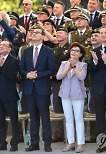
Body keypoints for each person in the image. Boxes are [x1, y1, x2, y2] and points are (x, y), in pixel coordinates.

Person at [19, 24, 55, 152]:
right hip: (29, 88)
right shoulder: (26, 51)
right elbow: (21, 68)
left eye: (37, 32)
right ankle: (34, 143)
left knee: (45, 116)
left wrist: (37, 75)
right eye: (32, 32)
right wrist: (27, 74)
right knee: (32, 117)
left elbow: (51, 70)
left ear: (43, 36)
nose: (33, 34)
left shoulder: (48, 51)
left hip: (42, 88)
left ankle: (47, 143)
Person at [56, 42, 87, 153]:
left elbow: (82, 76)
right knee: (68, 119)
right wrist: (68, 67)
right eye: (72, 50)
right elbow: (58, 76)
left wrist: (74, 66)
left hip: (77, 94)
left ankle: (80, 143)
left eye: (77, 51)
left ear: (80, 54)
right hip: (65, 94)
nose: (73, 52)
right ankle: (70, 142)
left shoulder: (82, 65)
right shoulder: (64, 63)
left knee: (78, 119)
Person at [0, 40, 19, 151]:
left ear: (9, 49)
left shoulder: (14, 61)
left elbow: (14, 77)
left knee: (13, 120)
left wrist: (2, 65)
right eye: (0, 45)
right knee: (1, 120)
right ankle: (2, 142)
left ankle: (14, 142)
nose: (1, 46)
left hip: (10, 95)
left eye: (4, 45)